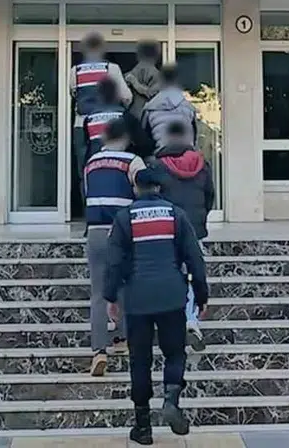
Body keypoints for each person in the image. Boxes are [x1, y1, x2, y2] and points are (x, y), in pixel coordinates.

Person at [104, 167, 209, 445]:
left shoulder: (124, 218)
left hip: (137, 298)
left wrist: (110, 297)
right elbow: (195, 259)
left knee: (140, 360)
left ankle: (143, 427)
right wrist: (201, 296)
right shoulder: (176, 215)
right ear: (160, 188)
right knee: (174, 353)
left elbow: (113, 262)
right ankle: (171, 399)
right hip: (172, 296)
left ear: (136, 189)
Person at [83, 118, 147, 376]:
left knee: (99, 293)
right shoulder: (132, 162)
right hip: (122, 232)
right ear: (126, 138)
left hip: (95, 233)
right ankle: (123, 338)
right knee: (126, 285)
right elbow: (144, 194)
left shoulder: (91, 163)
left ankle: (99, 352)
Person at [149, 120, 215, 352]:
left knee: (169, 274)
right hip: (194, 229)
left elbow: (154, 196)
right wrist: (201, 219)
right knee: (192, 275)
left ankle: (169, 322)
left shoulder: (158, 165)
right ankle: (191, 321)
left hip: (168, 229)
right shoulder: (202, 164)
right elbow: (210, 196)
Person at [71, 32, 132, 198]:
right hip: (109, 123)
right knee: (115, 164)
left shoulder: (75, 71)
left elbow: (73, 94)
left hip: (82, 125)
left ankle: (89, 203)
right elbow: (127, 97)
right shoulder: (111, 68)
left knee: (86, 168)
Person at [84, 78, 152, 160]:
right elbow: (145, 146)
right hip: (121, 164)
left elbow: (86, 149)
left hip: (95, 164)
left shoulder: (89, 119)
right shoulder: (126, 116)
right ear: (117, 94)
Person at [142, 64, 198, 151]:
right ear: (177, 81)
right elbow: (194, 137)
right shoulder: (189, 108)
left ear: (161, 80)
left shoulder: (150, 108)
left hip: (161, 154)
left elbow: (145, 140)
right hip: (186, 154)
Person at [124, 40, 163, 121]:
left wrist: (135, 83)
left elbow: (150, 93)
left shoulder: (156, 74)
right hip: (139, 115)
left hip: (145, 115)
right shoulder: (131, 73)